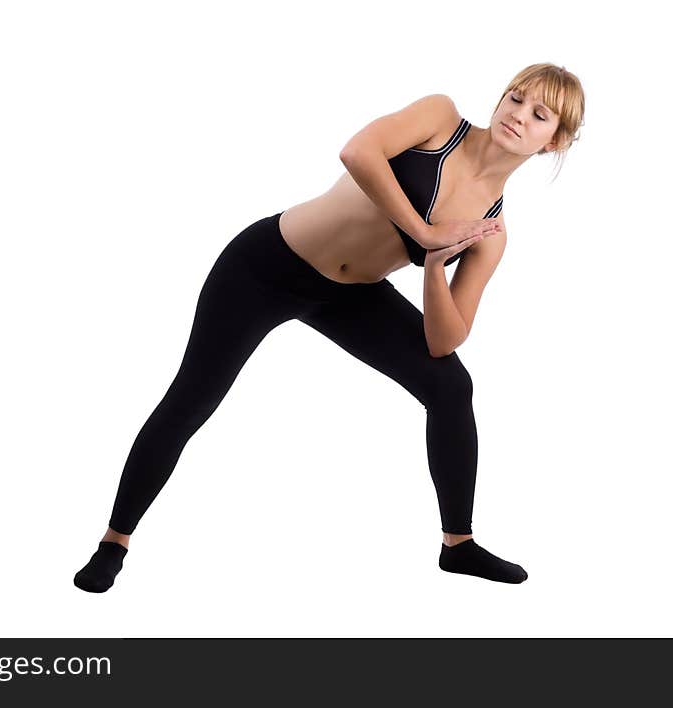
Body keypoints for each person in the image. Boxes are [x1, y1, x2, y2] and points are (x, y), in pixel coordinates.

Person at [74, 63, 585, 592]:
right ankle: (114, 541)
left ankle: (459, 546)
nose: (518, 115)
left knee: (451, 386)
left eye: (539, 114)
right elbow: (357, 152)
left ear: (555, 141)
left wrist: (434, 265)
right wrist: (425, 232)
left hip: (351, 296)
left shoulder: (491, 232)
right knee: (191, 400)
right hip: (267, 266)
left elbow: (444, 338)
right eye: (516, 98)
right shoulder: (440, 119)